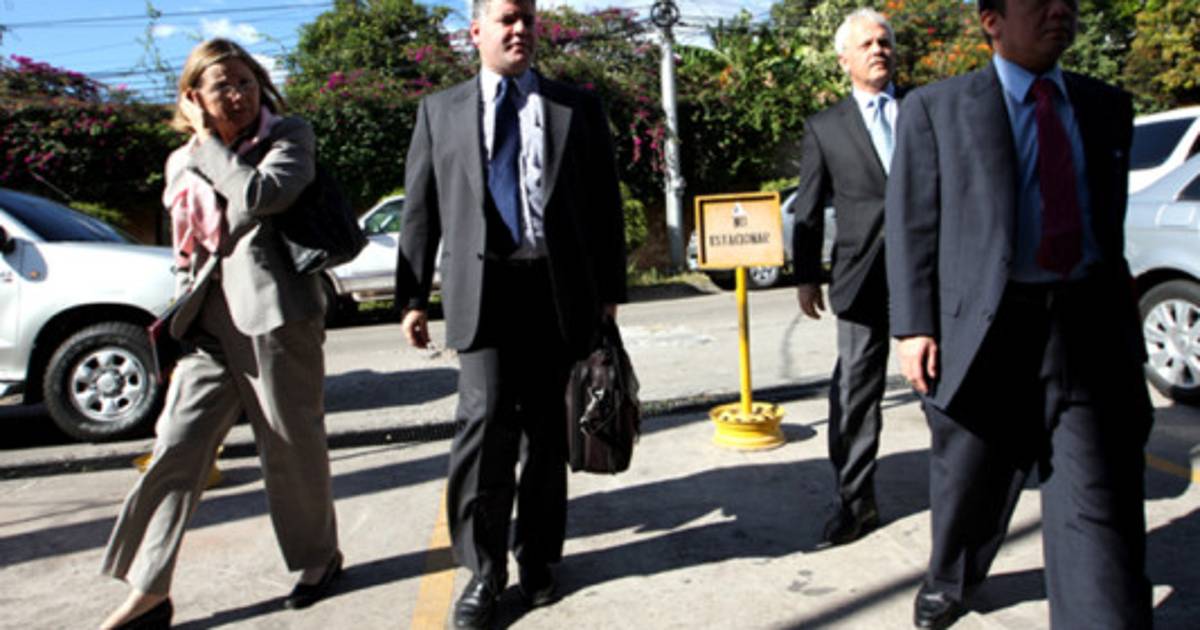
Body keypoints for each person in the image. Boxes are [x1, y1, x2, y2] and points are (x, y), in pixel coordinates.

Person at [885, 1, 1153, 628]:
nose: (1059, 10)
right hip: (986, 333)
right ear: (992, 20)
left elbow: (1106, 227)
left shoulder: (1105, 106)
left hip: (1086, 328)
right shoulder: (937, 109)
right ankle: (951, 577)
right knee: (971, 480)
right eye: (1039, 0)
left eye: (1068, 1)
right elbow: (912, 223)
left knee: (1097, 505)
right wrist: (913, 325)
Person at [395, 0, 626, 627]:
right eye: (506, 19)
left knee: (548, 436)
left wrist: (609, 291)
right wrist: (412, 297)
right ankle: (482, 572)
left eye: (527, 17)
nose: (520, 28)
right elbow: (421, 209)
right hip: (483, 292)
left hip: (555, 291)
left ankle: (539, 559)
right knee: (483, 427)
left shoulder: (575, 107)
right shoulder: (440, 111)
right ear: (476, 32)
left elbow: (603, 205)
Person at [98, 38, 342, 629]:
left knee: (290, 445)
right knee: (175, 447)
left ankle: (319, 558)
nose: (237, 95)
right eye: (222, 85)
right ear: (193, 97)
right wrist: (178, 326)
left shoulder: (289, 137)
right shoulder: (180, 161)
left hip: (277, 318)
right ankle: (148, 589)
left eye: (245, 82)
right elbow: (186, 250)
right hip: (207, 327)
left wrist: (209, 145)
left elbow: (262, 195)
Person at [792, 8, 902, 549]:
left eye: (885, 42)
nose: (878, 50)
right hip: (862, 279)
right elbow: (808, 208)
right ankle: (856, 503)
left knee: (947, 386)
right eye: (867, 44)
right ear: (844, 60)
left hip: (930, 274)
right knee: (856, 394)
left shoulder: (925, 109)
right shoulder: (826, 127)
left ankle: (966, 497)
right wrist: (806, 276)